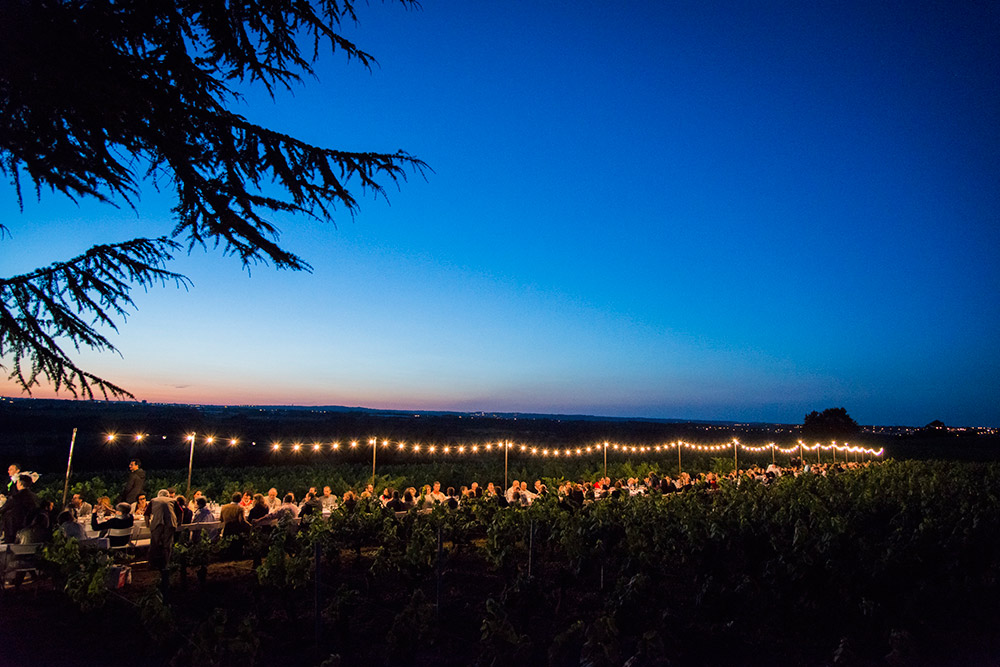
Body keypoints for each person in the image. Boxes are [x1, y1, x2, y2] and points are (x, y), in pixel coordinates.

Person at [148, 490, 178, 594]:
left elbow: (147, 513)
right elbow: (180, 512)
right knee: (167, 544)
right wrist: (179, 523)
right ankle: (166, 563)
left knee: (154, 543)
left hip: (157, 523)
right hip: (170, 523)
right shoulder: (173, 501)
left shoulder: (153, 500)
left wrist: (148, 524)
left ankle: (152, 563)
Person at [0, 474, 39, 543]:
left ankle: (4, 537)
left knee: (7, 514)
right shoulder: (34, 497)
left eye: (17, 482)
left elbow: (3, 508)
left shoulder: (16, 497)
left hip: (15, 526)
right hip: (31, 523)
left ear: (20, 484)